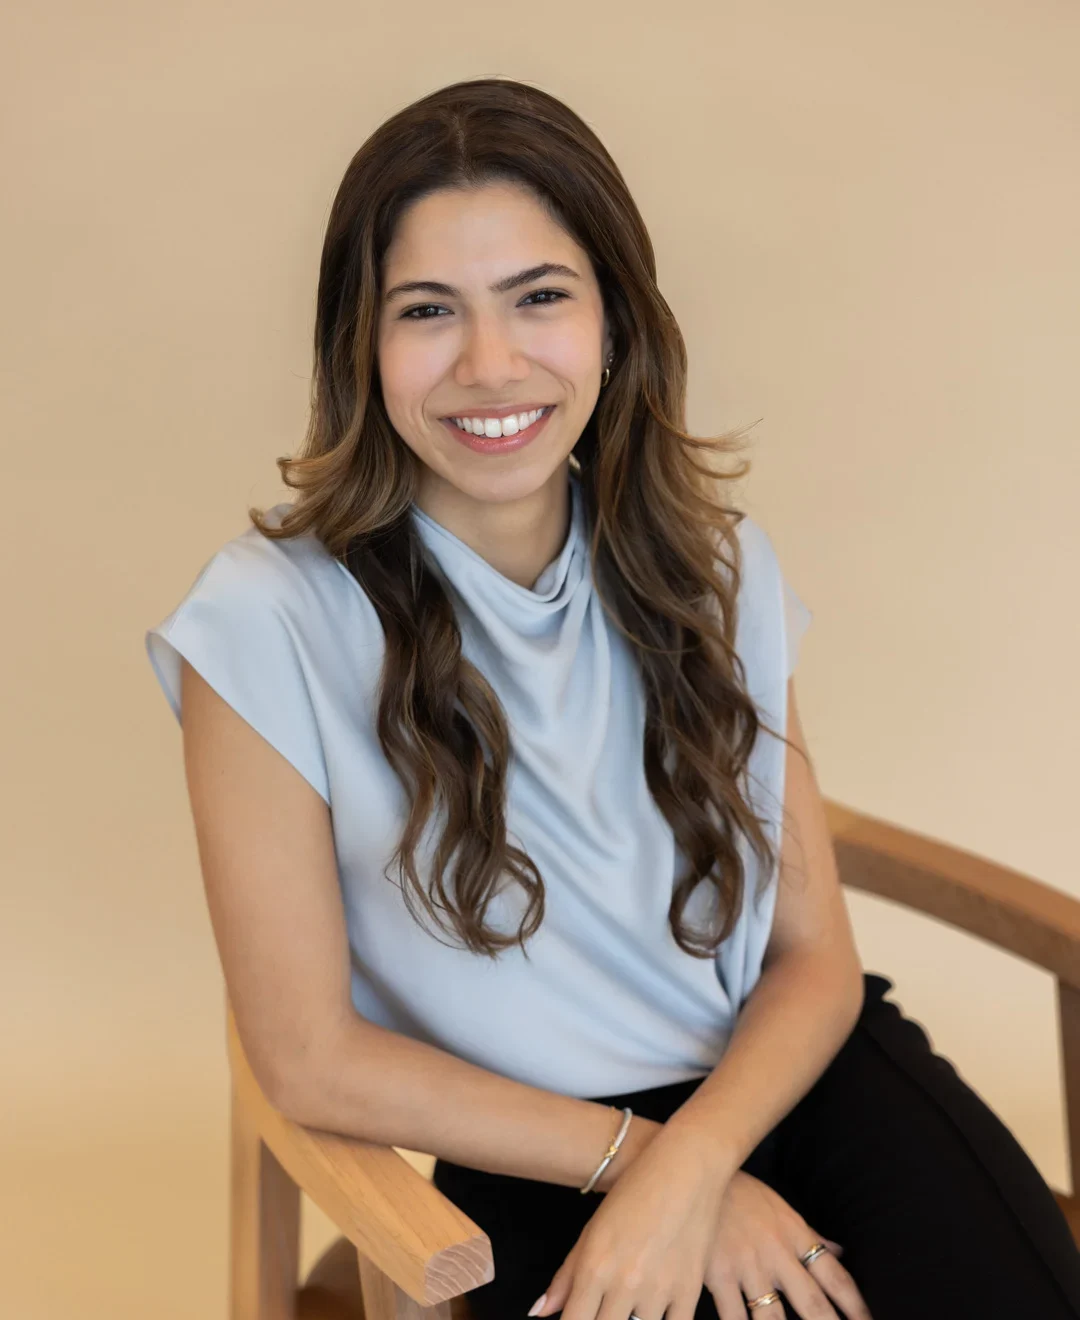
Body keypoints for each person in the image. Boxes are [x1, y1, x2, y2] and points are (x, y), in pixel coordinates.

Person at [145, 77, 1080, 1320]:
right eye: (429, 311)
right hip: (526, 1142)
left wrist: (701, 1161)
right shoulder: (266, 620)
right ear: (360, 349)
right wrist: (654, 1171)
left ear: (615, 319)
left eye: (540, 297)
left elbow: (813, 962)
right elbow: (311, 1057)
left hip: (791, 1074)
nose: (492, 364)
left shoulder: (715, 563)